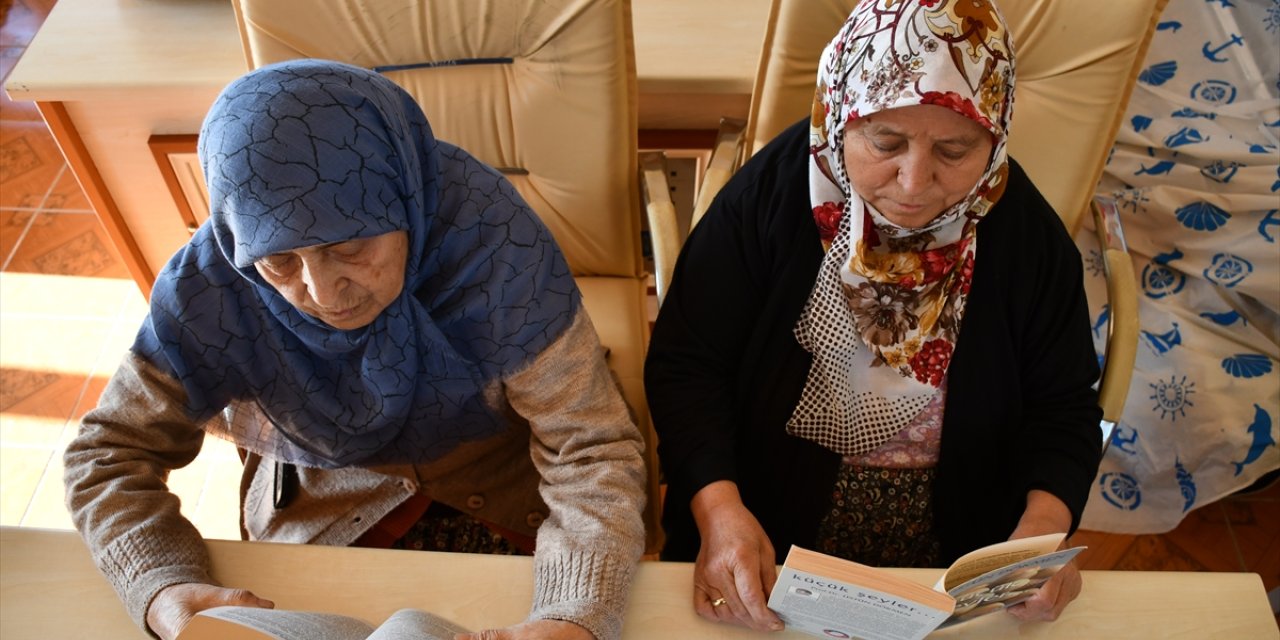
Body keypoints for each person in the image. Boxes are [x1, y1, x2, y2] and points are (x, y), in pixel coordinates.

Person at [63, 59, 646, 640]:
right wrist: (159, 584)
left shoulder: (494, 247)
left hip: (509, 499)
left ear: (405, 204)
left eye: (349, 246)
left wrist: (576, 613)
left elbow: (590, 446)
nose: (321, 293)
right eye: (280, 262)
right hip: (326, 517)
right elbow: (106, 455)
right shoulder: (212, 283)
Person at [644, 0, 1103, 632]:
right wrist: (720, 515)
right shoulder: (767, 202)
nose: (915, 182)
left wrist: (1041, 535)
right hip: (769, 533)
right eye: (885, 142)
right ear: (837, 116)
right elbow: (686, 368)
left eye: (956, 149)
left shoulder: (1022, 233)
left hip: (961, 548)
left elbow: (1064, 403)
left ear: (994, 136)